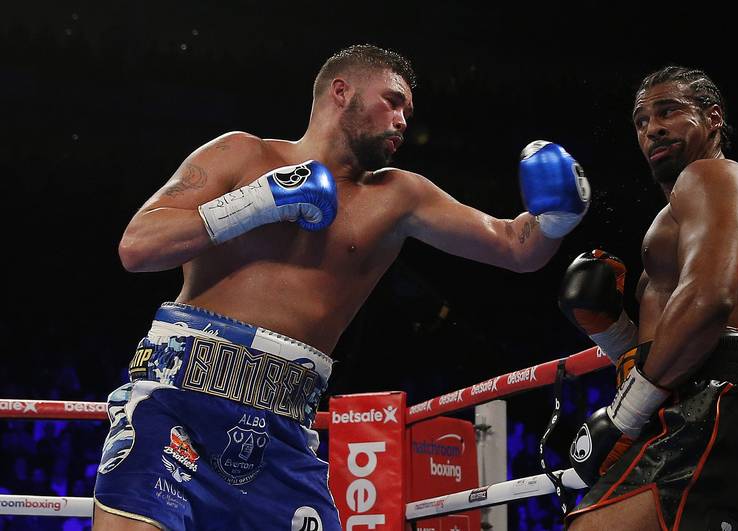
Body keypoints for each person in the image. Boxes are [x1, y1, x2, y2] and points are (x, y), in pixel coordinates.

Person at [92, 44, 589, 531]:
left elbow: (516, 248)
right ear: (341, 91)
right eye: (392, 101)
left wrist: (557, 217)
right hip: (175, 396)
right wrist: (259, 201)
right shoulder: (243, 153)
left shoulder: (399, 197)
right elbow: (137, 247)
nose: (402, 120)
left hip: (284, 427)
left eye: (407, 112)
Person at [559, 66, 738, 530]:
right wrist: (611, 330)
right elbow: (664, 342)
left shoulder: (713, 176)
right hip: (679, 400)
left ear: (713, 118)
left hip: (713, 399)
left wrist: (625, 413)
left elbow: (708, 300)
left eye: (668, 112)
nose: (653, 129)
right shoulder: (677, 213)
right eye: (641, 121)